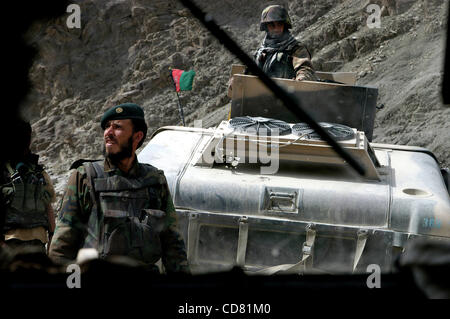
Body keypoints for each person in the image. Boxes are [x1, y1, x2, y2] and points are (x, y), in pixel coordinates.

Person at [49, 103, 190, 274]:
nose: (108, 132)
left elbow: (172, 243)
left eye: (117, 127)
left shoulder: (155, 180)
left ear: (137, 136)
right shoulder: (85, 177)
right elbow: (63, 244)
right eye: (107, 127)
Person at [1, 119, 56, 254]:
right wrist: (52, 237)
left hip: (14, 242)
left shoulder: (38, 172)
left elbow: (48, 208)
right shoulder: (39, 172)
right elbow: (49, 209)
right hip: (31, 241)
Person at [255, 4, 318, 81]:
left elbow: (305, 69)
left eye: (279, 24)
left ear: (285, 25)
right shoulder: (262, 50)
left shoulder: (295, 48)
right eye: (272, 25)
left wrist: (301, 78)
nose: (276, 29)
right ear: (266, 27)